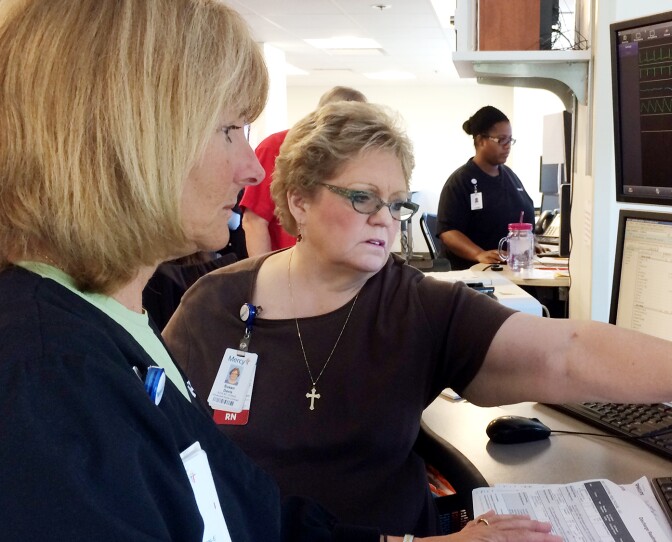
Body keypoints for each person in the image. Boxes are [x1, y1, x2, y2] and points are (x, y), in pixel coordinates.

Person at [162, 100, 672, 537]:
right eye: (362, 199)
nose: (386, 221)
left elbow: (568, 351)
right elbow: (163, 477)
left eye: (398, 202)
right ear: (295, 200)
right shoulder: (212, 309)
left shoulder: (415, 307)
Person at [0, 2, 560, 541]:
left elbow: (239, 514)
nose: (249, 168)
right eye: (231, 129)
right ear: (132, 136)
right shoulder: (50, 381)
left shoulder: (115, 326)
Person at [241, 86, 368, 256]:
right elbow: (254, 221)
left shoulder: (357, 155)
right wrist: (264, 276)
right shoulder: (275, 147)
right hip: (287, 266)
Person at [437, 106, 536, 270]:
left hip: (511, 270)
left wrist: (529, 242)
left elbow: (524, 215)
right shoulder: (460, 181)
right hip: (475, 274)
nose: (507, 146)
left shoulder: (511, 177)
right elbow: (448, 232)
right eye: (501, 140)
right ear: (481, 140)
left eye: (510, 140)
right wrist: (478, 254)